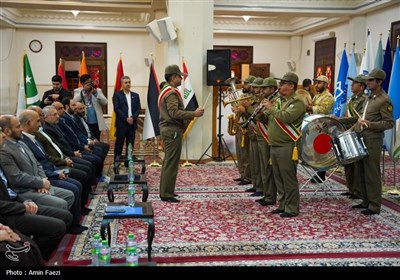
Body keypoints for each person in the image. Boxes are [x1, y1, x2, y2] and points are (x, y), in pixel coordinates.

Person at [342, 68, 394, 215]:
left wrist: (370, 124)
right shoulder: (370, 98)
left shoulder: (384, 100)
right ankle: (365, 201)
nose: (368, 82)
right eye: (368, 80)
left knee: (371, 173)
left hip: (372, 140)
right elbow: (359, 118)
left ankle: (374, 205)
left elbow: (389, 123)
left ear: (379, 82)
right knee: (361, 171)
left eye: (371, 80)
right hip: (361, 138)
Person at [261, 72, 306, 217]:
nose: (279, 86)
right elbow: (267, 119)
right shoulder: (280, 101)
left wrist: (271, 108)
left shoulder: (297, 102)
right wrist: (257, 113)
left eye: (282, 84)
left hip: (288, 146)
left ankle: (292, 208)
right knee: (278, 178)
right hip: (275, 144)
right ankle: (283, 204)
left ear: (291, 86)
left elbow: (286, 117)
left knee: (288, 178)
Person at [159, 64, 204, 202]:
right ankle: (166, 194)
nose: (181, 79)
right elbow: (174, 112)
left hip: (169, 130)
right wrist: (193, 114)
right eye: (179, 76)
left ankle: (167, 190)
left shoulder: (165, 90)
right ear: (173, 78)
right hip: (172, 130)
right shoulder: (171, 93)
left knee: (169, 161)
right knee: (171, 162)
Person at [339, 74, 367, 199]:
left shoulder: (364, 100)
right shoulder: (352, 99)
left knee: (356, 164)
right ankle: (351, 188)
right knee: (348, 163)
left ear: (361, 86)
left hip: (357, 133)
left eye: (354, 83)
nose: (351, 85)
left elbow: (357, 118)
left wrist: (339, 120)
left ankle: (358, 190)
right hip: (347, 132)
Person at [306, 75, 334, 183]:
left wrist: (310, 108)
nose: (316, 85)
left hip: (324, 126)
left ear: (326, 85)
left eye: (319, 83)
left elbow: (324, 110)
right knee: (315, 151)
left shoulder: (328, 96)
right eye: (316, 83)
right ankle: (318, 172)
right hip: (316, 125)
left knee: (322, 151)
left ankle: (321, 174)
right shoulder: (317, 96)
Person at [231, 75, 254, 185]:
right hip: (240, 125)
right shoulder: (244, 96)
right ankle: (242, 173)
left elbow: (253, 114)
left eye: (246, 84)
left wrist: (244, 110)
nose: (244, 86)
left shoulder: (253, 98)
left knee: (246, 153)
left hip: (247, 126)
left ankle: (248, 176)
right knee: (240, 153)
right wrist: (237, 109)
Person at [113, 76, 141, 160]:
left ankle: (128, 162)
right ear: (122, 84)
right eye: (126, 82)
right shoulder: (117, 95)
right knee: (119, 144)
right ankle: (117, 163)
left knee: (130, 145)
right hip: (122, 124)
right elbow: (116, 108)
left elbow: (138, 108)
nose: (128, 84)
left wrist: (132, 118)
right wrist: (126, 118)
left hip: (132, 124)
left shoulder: (135, 95)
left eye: (129, 82)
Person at [73, 74, 108, 140]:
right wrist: (84, 92)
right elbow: (74, 101)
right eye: (87, 83)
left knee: (96, 139)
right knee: (86, 138)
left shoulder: (98, 90)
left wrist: (95, 94)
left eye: (90, 82)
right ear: (82, 84)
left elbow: (105, 102)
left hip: (95, 121)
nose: (89, 84)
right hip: (84, 120)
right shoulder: (77, 91)